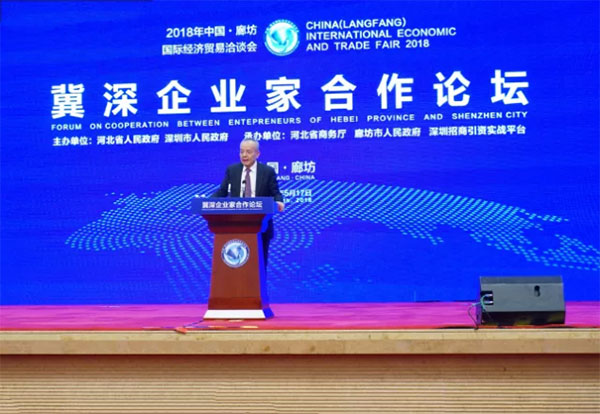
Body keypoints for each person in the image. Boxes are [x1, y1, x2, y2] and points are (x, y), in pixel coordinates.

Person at [212, 138, 284, 266]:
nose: (244, 155)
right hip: (234, 224)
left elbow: (275, 193)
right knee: (235, 264)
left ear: (257, 154)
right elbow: (222, 191)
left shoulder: (267, 172)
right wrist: (208, 202)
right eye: (241, 152)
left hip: (260, 227)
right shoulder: (232, 170)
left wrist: (279, 201)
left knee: (259, 265)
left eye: (248, 152)